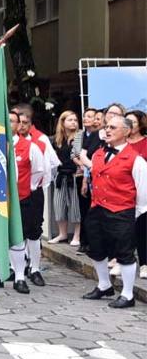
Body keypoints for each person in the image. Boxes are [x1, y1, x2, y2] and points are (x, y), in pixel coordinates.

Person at [82, 114, 147, 308]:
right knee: (96, 248)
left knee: (124, 252)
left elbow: (143, 189)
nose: (107, 130)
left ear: (126, 132)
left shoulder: (136, 160)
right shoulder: (98, 154)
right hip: (97, 208)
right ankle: (104, 285)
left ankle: (128, 294)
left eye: (113, 127)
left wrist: (135, 212)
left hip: (122, 210)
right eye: (107, 127)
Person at [11, 111, 47, 290]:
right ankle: (9, 269)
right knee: (11, 235)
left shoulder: (32, 146)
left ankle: (34, 268)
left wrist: (29, 187)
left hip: (27, 197)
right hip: (5, 200)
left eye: (13, 121)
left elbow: (39, 170)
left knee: (32, 232)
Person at [51, 111, 82, 246]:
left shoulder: (80, 137)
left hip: (75, 175)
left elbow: (79, 156)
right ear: (63, 122)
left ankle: (77, 235)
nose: (73, 122)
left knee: (75, 207)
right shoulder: (57, 139)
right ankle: (62, 234)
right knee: (59, 206)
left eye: (75, 120)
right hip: (60, 175)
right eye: (70, 120)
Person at [74, 108, 103, 255]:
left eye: (97, 118)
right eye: (94, 118)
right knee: (88, 213)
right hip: (91, 179)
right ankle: (87, 242)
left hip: (106, 183)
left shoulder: (106, 139)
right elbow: (85, 157)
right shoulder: (91, 137)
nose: (95, 121)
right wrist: (86, 179)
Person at [125, 110, 147, 279]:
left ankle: (144, 263)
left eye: (132, 122)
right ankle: (123, 260)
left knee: (142, 228)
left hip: (143, 190)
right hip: (123, 192)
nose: (129, 125)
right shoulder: (121, 144)